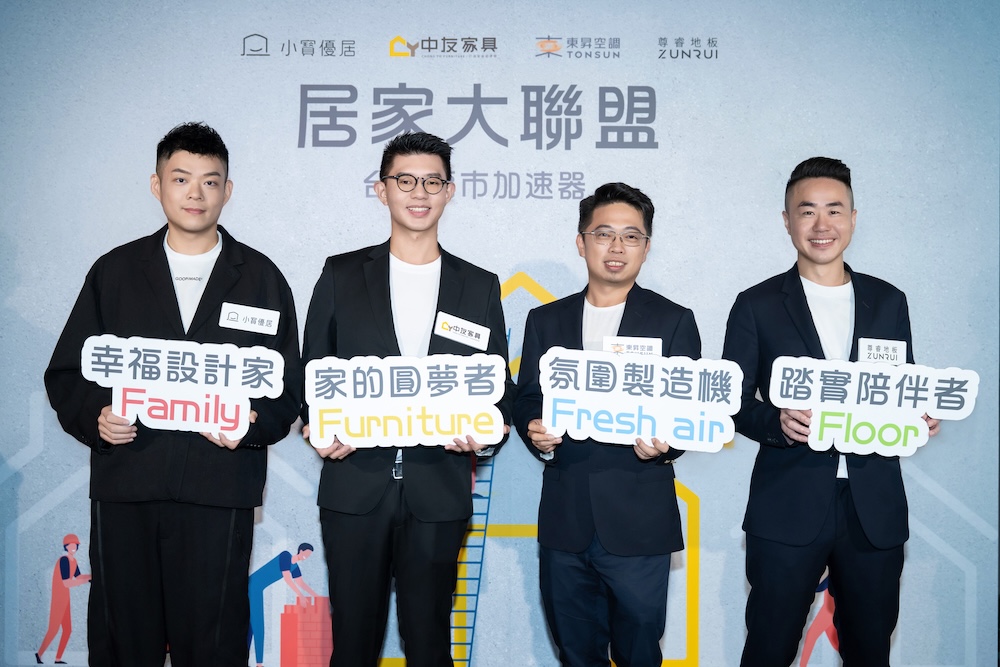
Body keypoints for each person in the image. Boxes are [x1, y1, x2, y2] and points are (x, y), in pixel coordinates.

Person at [44, 122, 302, 667]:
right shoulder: (115, 272)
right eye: (181, 178)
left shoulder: (261, 279)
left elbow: (287, 390)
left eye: (210, 181)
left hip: (218, 488)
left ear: (228, 191)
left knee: (213, 641)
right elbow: (67, 372)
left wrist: (250, 426)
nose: (195, 193)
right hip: (128, 483)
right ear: (157, 185)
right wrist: (96, 418)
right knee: (124, 639)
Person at [300, 131, 514, 667]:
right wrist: (315, 425)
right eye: (405, 180)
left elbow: (498, 389)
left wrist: (487, 434)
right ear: (382, 189)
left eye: (432, 181)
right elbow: (312, 372)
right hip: (355, 486)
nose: (419, 193)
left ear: (449, 191)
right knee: (353, 645)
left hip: (438, 488)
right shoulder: (341, 274)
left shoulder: (479, 286)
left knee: (430, 645)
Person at [721, 157, 940, 666]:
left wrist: (918, 416)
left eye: (834, 210)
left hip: (873, 507)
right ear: (787, 221)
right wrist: (776, 421)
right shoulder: (757, 304)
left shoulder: (889, 301)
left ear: (853, 219)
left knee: (870, 650)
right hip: (788, 503)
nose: (822, 225)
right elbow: (731, 401)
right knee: (769, 647)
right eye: (807, 211)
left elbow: (900, 385)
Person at [514, 182, 701, 666]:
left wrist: (665, 444)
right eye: (603, 234)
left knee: (640, 652)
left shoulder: (674, 321)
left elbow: (688, 410)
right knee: (576, 653)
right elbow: (528, 397)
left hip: (640, 521)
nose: (617, 247)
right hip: (566, 519)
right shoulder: (545, 320)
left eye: (631, 236)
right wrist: (538, 432)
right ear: (581, 242)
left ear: (646, 247)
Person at [248, 543, 320, 667]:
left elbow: (301, 583)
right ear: (301, 551)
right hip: (253, 585)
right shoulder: (285, 556)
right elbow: (287, 578)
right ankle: (259, 664)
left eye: (309, 555)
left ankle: (245, 658)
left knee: (251, 624)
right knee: (258, 623)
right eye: (307, 554)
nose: (307, 557)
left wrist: (315, 595)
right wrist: (301, 596)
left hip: (257, 588)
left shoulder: (295, 567)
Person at [36, 534, 92, 664]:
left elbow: (78, 577)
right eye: (70, 544)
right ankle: (39, 654)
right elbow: (67, 583)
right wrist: (85, 581)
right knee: (53, 629)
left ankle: (58, 658)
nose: (73, 547)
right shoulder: (64, 561)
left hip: (65, 598)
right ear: (66, 546)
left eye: (75, 545)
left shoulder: (74, 561)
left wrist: (91, 576)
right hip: (58, 598)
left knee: (67, 630)